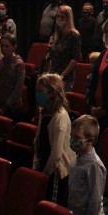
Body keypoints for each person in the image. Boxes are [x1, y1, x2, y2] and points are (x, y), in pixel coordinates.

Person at [34, 73, 75, 204]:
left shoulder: (60, 116)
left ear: (52, 93)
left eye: (41, 91)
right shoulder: (45, 111)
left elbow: (56, 155)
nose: (38, 94)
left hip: (55, 171)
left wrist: (44, 174)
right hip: (43, 163)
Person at [68, 114, 107, 215]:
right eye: (71, 136)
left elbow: (95, 198)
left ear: (90, 140)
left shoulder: (94, 165)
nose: (72, 140)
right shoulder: (78, 158)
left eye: (77, 138)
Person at [41, 5, 82, 91]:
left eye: (62, 17)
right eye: (57, 16)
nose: (59, 19)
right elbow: (51, 56)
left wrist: (63, 75)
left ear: (68, 18)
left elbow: (75, 59)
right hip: (53, 74)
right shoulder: (56, 35)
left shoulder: (74, 35)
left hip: (65, 76)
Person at [0, 33, 26, 120]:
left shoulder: (19, 64)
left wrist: (5, 108)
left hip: (12, 109)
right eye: (2, 46)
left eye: (7, 46)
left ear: (14, 47)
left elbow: (18, 89)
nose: (3, 49)